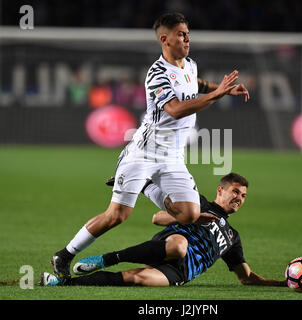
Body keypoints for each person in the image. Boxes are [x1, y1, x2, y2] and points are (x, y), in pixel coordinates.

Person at [50, 12, 250, 284]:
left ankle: (147, 186)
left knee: (190, 214)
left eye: (188, 33)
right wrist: (217, 95)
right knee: (117, 216)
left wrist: (222, 89)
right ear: (165, 39)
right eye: (181, 34)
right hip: (144, 153)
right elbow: (175, 109)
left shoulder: (189, 65)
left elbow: (197, 83)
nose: (187, 38)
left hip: (173, 157)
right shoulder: (156, 74)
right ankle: (64, 255)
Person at [41, 173, 286, 288]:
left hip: (181, 272)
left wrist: (284, 284)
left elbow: (246, 277)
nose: (239, 198)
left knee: (138, 278)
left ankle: (64, 284)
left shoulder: (233, 237)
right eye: (235, 192)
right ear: (220, 190)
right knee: (180, 245)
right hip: (170, 244)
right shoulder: (197, 204)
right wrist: (194, 217)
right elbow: (158, 217)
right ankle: (106, 259)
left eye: (243, 195)